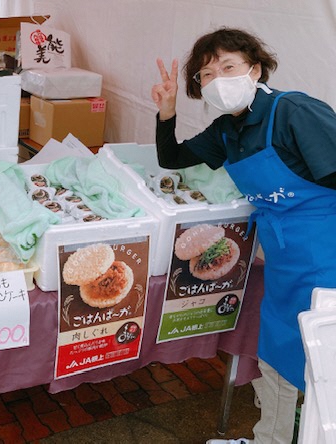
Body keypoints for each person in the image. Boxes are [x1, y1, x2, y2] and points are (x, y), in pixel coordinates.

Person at [151, 27, 336, 444]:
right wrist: (167, 110)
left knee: (326, 361)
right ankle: (272, 437)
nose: (218, 79)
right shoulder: (226, 130)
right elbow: (173, 158)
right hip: (285, 263)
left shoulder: (294, 112)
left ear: (254, 69)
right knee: (276, 356)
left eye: (228, 66)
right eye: (206, 75)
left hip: (327, 257)